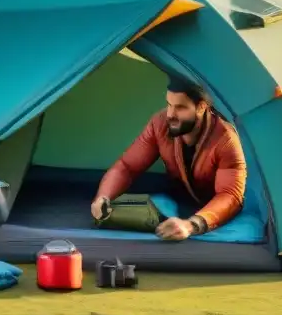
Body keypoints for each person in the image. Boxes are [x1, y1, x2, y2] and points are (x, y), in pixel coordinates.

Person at [90, 76, 247, 241]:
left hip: (210, 206)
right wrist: (103, 197)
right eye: (169, 104)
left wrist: (190, 225)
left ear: (201, 107)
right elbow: (127, 166)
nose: (170, 114)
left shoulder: (226, 140)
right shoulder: (159, 124)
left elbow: (230, 195)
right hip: (176, 195)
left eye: (180, 107)